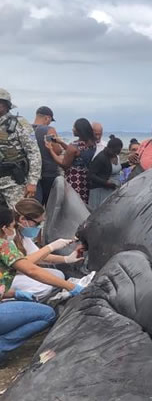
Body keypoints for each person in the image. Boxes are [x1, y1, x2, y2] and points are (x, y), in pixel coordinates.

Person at [0, 206, 83, 363]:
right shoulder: (3, 245)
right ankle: (2, 346)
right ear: (4, 228)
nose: (13, 230)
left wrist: (14, 294)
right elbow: (31, 269)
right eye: (11, 226)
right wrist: (70, 286)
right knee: (47, 314)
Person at [9, 198, 81, 299]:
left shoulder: (21, 235)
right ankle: (11, 297)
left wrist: (66, 259)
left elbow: (40, 256)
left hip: (16, 273)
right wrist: (50, 247)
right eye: (37, 223)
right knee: (43, 287)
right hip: (5, 277)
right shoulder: (8, 237)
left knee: (58, 275)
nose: (39, 227)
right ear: (22, 220)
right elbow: (25, 266)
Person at [0, 88, 41, 208]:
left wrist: (32, 182)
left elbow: (34, 153)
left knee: (21, 217)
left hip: (13, 183)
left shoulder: (19, 124)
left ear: (6, 105)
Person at [46, 118, 96, 204]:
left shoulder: (74, 146)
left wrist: (50, 150)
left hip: (74, 179)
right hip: (86, 178)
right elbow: (76, 154)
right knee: (84, 203)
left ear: (79, 130)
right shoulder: (92, 143)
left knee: (73, 204)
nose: (72, 129)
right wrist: (61, 143)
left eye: (74, 127)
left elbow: (64, 164)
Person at [32, 106, 60, 206]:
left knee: (35, 206)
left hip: (32, 175)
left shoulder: (27, 129)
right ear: (47, 118)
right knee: (50, 206)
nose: (49, 123)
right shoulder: (49, 130)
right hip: (48, 173)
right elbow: (57, 150)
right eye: (50, 120)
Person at [87, 137, 125, 210]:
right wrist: (106, 183)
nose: (116, 153)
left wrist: (128, 164)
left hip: (111, 190)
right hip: (99, 191)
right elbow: (90, 175)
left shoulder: (116, 156)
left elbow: (116, 168)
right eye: (114, 151)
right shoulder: (101, 158)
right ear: (109, 148)